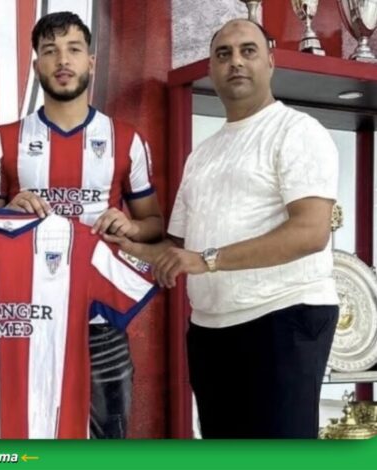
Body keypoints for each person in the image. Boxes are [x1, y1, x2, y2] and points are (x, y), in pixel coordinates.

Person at [112, 19, 339, 438]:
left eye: (248, 51)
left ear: (270, 62)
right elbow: (177, 250)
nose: (236, 61)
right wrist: (123, 240)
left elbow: (311, 232)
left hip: (283, 319)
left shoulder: (298, 131)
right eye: (224, 54)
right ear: (211, 69)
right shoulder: (203, 155)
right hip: (211, 331)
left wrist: (208, 260)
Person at [0, 11, 163, 439]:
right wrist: (7, 211)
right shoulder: (6, 140)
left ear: (91, 61)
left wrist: (131, 227)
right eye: (51, 51)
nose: (63, 60)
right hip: (25, 318)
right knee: (23, 438)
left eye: (74, 49)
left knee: (107, 443)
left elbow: (154, 224)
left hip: (101, 323)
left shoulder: (126, 139)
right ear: (36, 64)